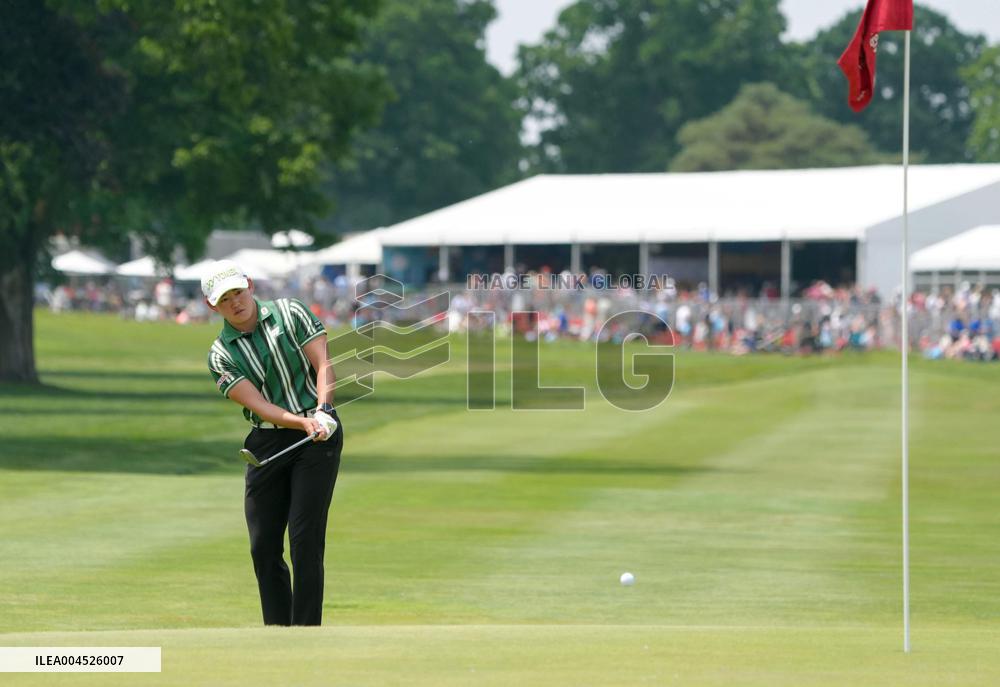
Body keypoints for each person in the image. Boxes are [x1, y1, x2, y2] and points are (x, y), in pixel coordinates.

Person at [202, 260, 343, 626]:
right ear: (212, 306)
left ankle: (306, 630)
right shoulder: (221, 355)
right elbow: (260, 405)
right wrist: (301, 421)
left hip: (319, 433)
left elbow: (323, 364)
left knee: (304, 539)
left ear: (250, 285)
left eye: (238, 292)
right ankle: (277, 631)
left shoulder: (290, 312)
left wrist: (323, 409)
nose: (235, 302)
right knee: (263, 545)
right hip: (269, 440)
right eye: (225, 299)